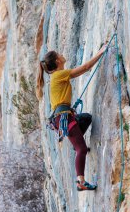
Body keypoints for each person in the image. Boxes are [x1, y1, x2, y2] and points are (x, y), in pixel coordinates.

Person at [36, 44, 107, 191]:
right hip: (63, 118)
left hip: (64, 115)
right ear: (57, 61)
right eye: (59, 54)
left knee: (86, 118)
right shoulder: (58, 75)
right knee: (81, 149)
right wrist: (101, 51)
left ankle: (77, 143)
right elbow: (85, 67)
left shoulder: (56, 76)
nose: (62, 55)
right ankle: (80, 181)